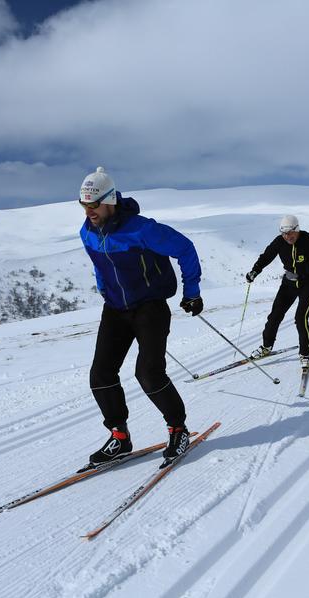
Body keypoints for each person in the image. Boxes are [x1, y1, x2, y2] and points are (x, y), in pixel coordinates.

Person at [78, 166, 203, 468]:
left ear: (109, 200)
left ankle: (178, 429)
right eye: (83, 205)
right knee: (101, 375)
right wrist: (104, 288)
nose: (88, 211)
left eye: (93, 205)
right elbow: (100, 265)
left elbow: (185, 248)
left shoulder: (142, 229)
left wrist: (193, 291)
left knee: (148, 373)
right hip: (115, 309)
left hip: (149, 307)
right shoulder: (87, 231)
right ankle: (119, 437)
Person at [245, 215, 309, 370]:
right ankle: (266, 347)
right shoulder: (279, 242)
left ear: (297, 229)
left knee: (301, 318)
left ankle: (305, 355)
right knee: (275, 316)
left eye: (290, 233)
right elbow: (266, 257)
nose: (287, 237)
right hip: (289, 283)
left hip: (308, 283)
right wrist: (255, 271)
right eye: (284, 233)